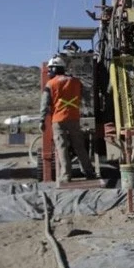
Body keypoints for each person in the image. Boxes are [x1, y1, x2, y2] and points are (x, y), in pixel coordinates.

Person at [40, 55, 94, 183]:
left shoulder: (51, 84)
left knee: (62, 148)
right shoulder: (76, 81)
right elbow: (86, 97)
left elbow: (45, 103)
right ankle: (89, 172)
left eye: (50, 69)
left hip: (58, 120)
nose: (49, 72)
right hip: (74, 118)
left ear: (55, 69)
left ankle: (66, 176)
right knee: (79, 147)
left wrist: (42, 120)